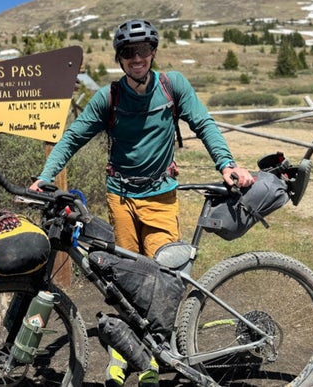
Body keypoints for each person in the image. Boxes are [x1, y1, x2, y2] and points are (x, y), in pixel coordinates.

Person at [30, 19, 254, 387]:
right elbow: (72, 138)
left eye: (144, 51)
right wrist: (46, 176)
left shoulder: (172, 86)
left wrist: (226, 163)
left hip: (161, 197)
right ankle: (122, 357)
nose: (138, 59)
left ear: (153, 53)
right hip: (120, 198)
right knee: (123, 283)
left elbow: (204, 123)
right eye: (129, 53)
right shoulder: (110, 97)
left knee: (164, 280)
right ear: (120, 58)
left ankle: (153, 356)